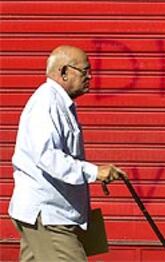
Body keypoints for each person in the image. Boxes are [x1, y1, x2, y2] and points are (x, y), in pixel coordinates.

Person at [8, 45, 125, 261]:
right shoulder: (46, 104)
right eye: (84, 71)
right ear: (64, 72)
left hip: (54, 214)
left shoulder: (60, 104)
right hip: (49, 216)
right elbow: (47, 157)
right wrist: (94, 172)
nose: (90, 76)